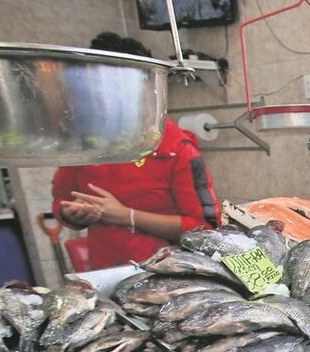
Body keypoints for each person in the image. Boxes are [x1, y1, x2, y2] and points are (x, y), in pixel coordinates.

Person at [52, 33, 219, 270]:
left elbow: (205, 228)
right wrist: (72, 215)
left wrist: (125, 216)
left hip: (171, 275)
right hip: (107, 273)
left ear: (148, 91)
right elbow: (61, 204)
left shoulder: (177, 149)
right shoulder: (84, 147)